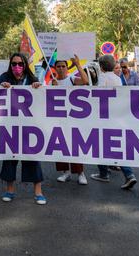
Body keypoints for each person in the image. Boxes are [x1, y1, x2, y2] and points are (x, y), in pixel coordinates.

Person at [0, 53, 47, 205]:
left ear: (25, 65)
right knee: (10, 158)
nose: (17, 66)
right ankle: (9, 190)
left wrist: (38, 88)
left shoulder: (32, 79)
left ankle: (38, 191)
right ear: (10, 65)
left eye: (20, 63)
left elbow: (41, 100)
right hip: (10, 126)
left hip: (29, 126)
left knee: (32, 157)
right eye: (14, 63)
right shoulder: (4, 77)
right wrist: (0, 87)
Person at [90, 55, 138, 190]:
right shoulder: (117, 78)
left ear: (101, 67)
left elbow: (98, 96)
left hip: (104, 116)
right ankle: (128, 174)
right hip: (116, 116)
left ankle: (105, 174)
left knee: (99, 145)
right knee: (115, 146)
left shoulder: (103, 78)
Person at [52, 55, 89, 185]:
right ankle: (65, 172)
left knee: (75, 146)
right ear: (55, 68)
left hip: (74, 118)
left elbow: (85, 81)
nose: (61, 68)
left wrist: (78, 64)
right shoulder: (52, 81)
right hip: (58, 119)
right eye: (58, 66)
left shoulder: (72, 79)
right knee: (60, 145)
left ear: (67, 68)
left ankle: (80, 173)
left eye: (63, 66)